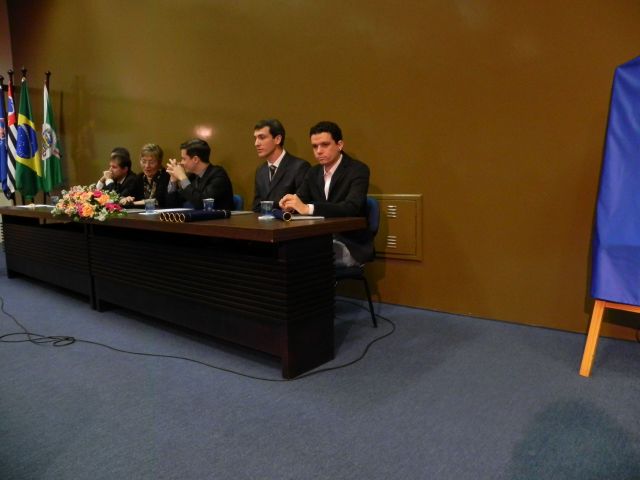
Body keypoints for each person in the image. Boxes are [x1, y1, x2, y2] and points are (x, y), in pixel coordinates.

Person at [279, 121, 373, 266]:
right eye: (315, 146)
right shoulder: (313, 172)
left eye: (325, 145)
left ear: (339, 145)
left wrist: (308, 208)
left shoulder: (358, 170)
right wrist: (290, 205)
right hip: (319, 238)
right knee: (283, 253)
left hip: (349, 243)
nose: (319, 151)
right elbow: (301, 198)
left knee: (302, 259)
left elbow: (351, 207)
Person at [251, 119, 310, 212]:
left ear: (277, 139)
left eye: (261, 137)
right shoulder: (260, 170)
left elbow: (301, 205)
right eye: (255, 138)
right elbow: (256, 206)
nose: (256, 143)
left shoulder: (300, 167)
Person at [166, 138, 234, 210]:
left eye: (184, 159)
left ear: (195, 159)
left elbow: (202, 204)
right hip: (198, 217)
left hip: (218, 217)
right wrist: (173, 181)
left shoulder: (218, 175)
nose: (181, 162)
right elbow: (172, 205)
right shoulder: (193, 177)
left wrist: (182, 177)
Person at [120, 143, 170, 208]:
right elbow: (123, 196)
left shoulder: (165, 176)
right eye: (144, 161)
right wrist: (125, 199)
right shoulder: (140, 177)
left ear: (159, 163)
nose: (147, 166)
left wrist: (132, 203)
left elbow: (157, 201)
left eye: (151, 162)